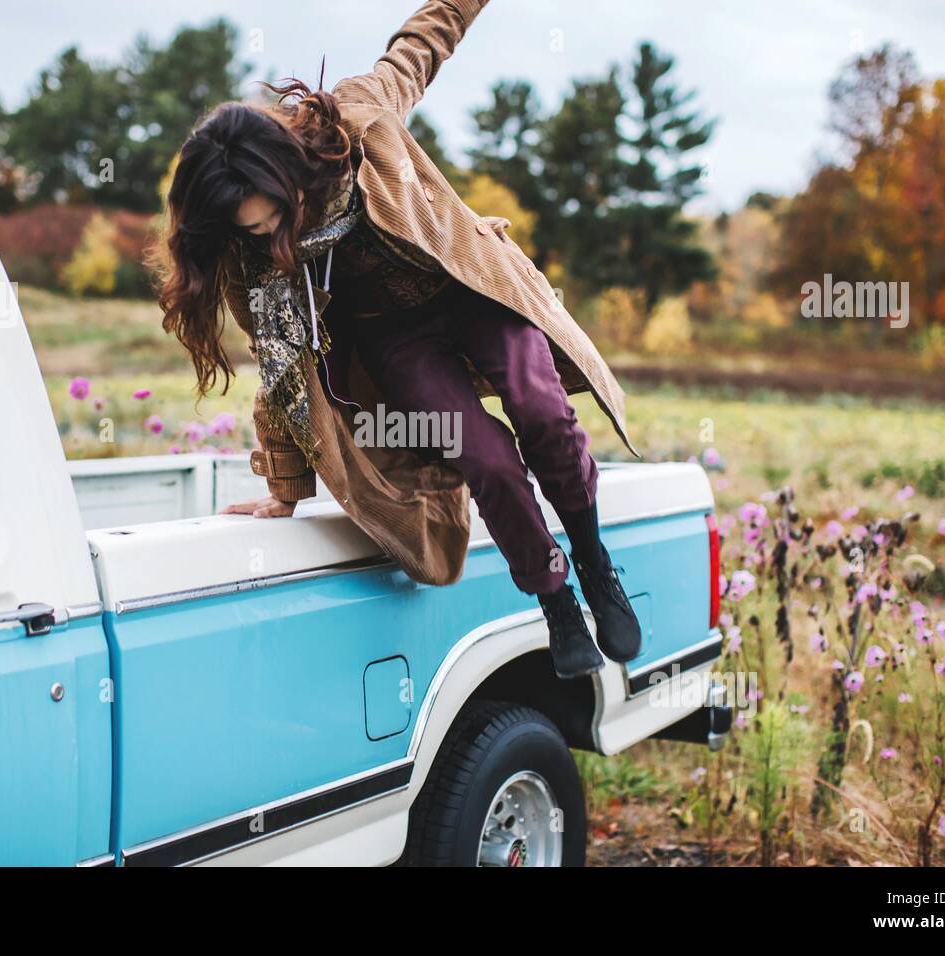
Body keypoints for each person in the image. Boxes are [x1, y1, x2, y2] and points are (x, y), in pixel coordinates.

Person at [151, 0, 641, 679]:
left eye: (273, 217)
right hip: (395, 340)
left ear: (288, 169)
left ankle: (593, 561)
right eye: (251, 229)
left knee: (544, 415)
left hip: (471, 288)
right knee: (487, 458)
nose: (268, 236)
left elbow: (423, 43)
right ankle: (555, 594)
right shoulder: (252, 261)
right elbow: (282, 368)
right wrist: (285, 489)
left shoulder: (358, 117)